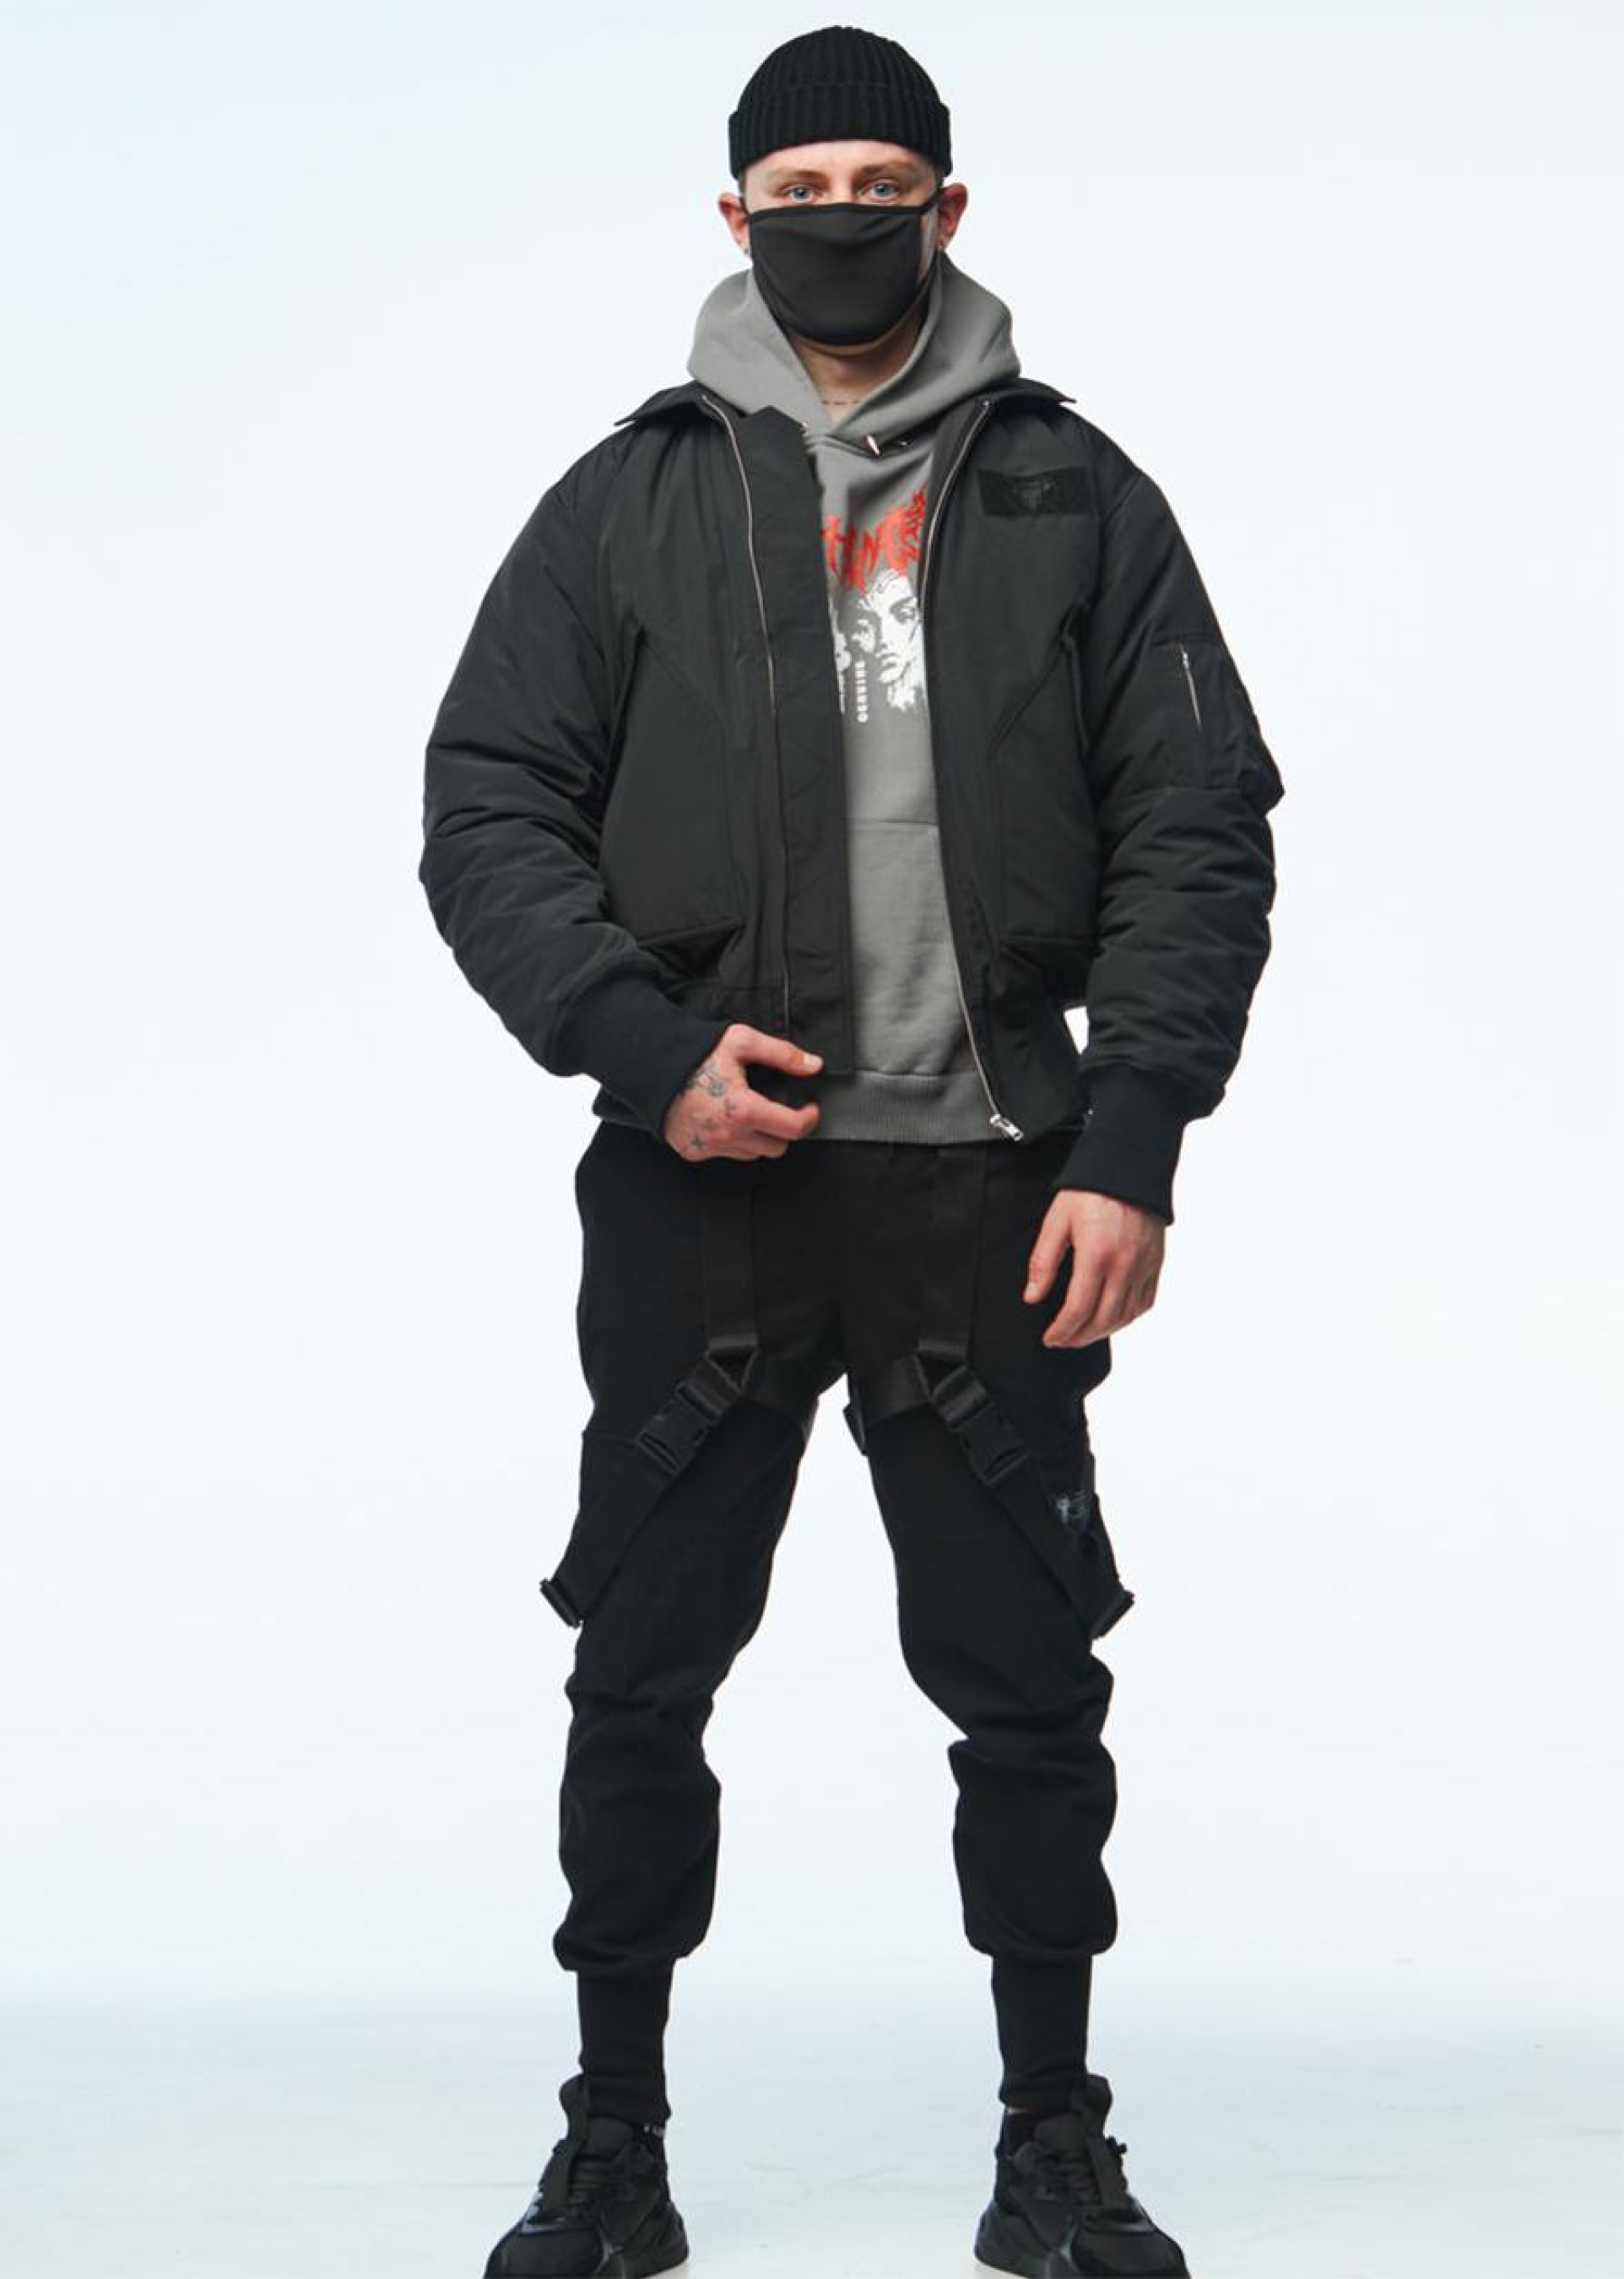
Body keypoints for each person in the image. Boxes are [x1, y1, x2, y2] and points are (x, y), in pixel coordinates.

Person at [419, 26, 1283, 2279]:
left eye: (876, 182)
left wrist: (1133, 1137)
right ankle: (611, 2142)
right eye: (793, 186)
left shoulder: (1075, 492)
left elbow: (1198, 821)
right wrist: (639, 1049)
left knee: (1029, 1686)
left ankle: (1054, 2145)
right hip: (705, 1189)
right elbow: (488, 804)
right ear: (731, 216)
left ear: (947, 208)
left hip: (995, 1185)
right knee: (641, 1669)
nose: (835, 218)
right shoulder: (626, 501)